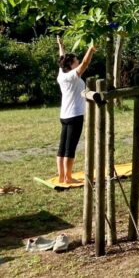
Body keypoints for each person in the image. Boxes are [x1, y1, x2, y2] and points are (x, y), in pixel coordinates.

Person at [56, 36, 96, 185]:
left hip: (65, 115)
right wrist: (91, 49)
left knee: (62, 147)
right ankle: (68, 177)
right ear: (72, 65)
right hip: (75, 115)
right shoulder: (72, 76)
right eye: (75, 60)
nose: (78, 61)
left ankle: (61, 176)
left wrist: (61, 45)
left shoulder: (62, 74)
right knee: (69, 148)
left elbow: (62, 57)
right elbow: (85, 63)